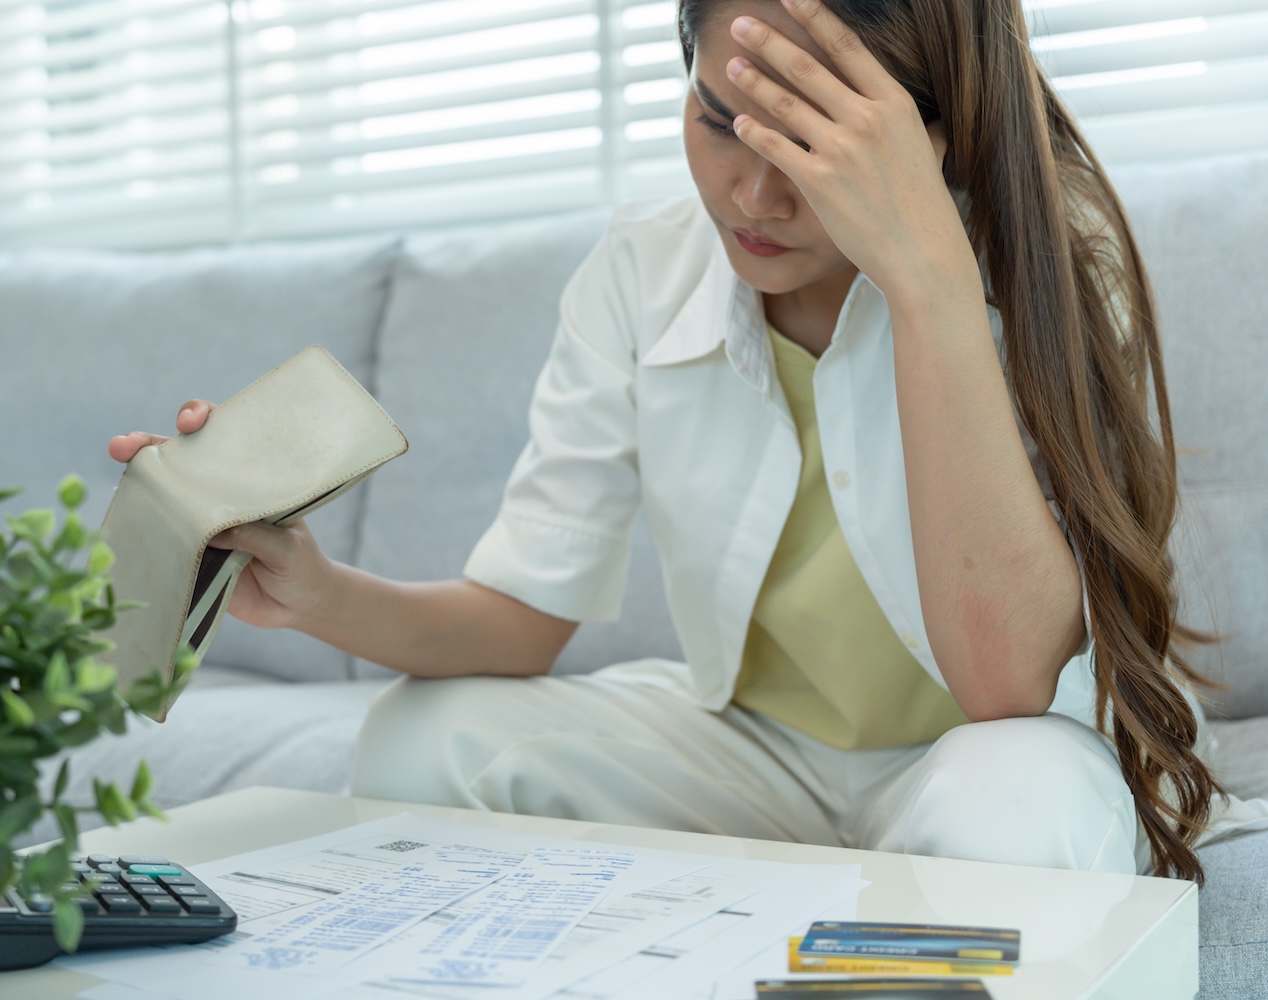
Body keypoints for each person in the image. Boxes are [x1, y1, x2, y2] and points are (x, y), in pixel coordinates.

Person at [110, 0, 1258, 881]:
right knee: (423, 737)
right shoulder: (638, 270)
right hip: (748, 747)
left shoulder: (1054, 271)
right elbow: (520, 617)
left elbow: (1008, 683)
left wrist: (926, 279)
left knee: (1024, 819)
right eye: (719, 119)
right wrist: (313, 588)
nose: (753, 192)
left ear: (932, 138)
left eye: (810, 147)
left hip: (986, 748)